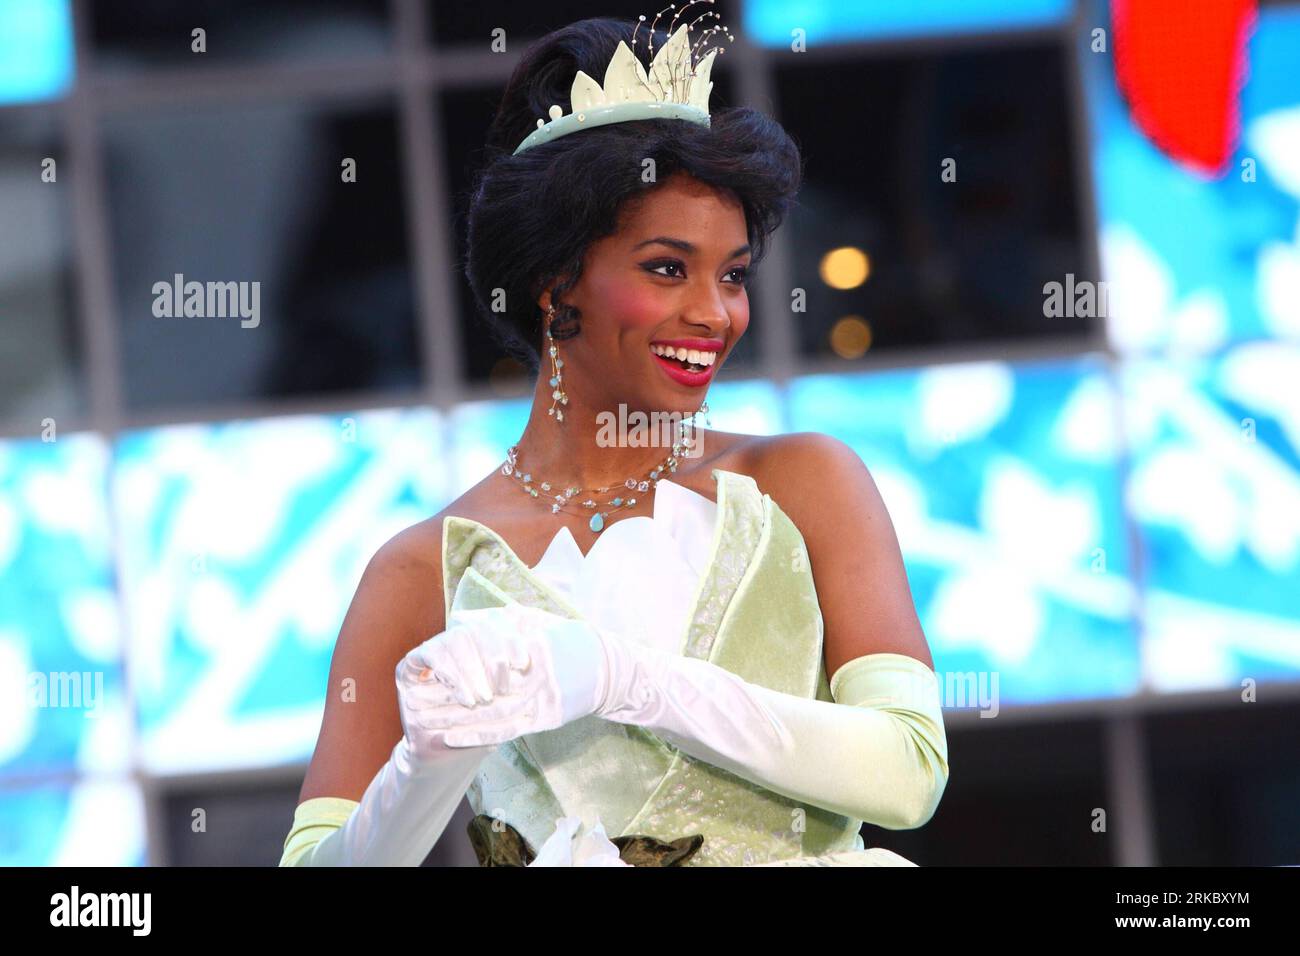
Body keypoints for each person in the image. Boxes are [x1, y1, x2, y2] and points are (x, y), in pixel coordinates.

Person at [279, 8, 948, 868]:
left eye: (734, 275)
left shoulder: (803, 481)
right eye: (667, 268)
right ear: (557, 283)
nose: (714, 312)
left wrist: (621, 676)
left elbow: (909, 774)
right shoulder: (421, 571)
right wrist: (425, 766)